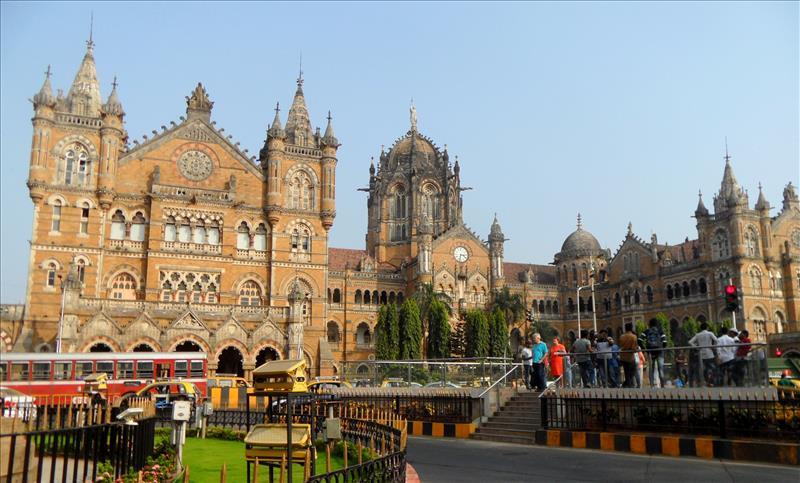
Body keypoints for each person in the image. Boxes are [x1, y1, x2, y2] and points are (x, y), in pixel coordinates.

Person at [639, 318, 667, 388]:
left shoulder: (647, 331)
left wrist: (644, 349)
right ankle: (662, 386)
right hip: (659, 352)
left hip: (650, 351)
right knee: (660, 369)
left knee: (651, 369)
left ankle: (652, 385)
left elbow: (639, 340)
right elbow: (665, 342)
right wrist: (662, 348)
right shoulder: (660, 331)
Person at [618, 323, 638, 388]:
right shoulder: (634, 336)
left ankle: (627, 384)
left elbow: (620, 345)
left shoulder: (621, 336)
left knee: (626, 371)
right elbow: (633, 348)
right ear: (631, 328)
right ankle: (628, 384)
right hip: (630, 357)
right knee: (633, 370)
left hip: (623, 356)